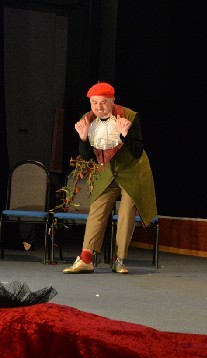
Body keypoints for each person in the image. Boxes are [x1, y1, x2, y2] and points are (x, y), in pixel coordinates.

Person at [63, 82, 157, 274]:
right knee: (97, 209)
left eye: (103, 102)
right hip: (107, 172)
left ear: (112, 101)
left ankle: (119, 259)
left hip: (133, 171)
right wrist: (83, 138)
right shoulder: (87, 120)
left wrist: (125, 135)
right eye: (94, 102)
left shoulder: (129, 116)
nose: (98, 107)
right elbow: (88, 157)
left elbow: (137, 152)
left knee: (126, 212)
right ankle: (86, 258)